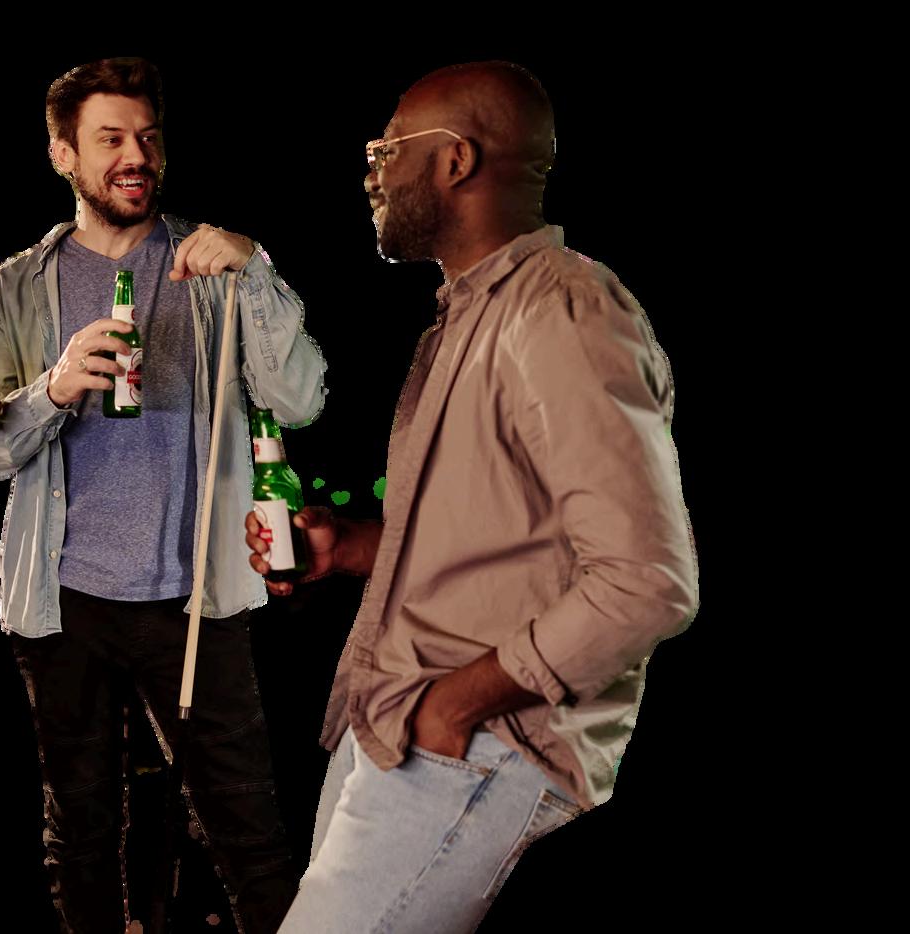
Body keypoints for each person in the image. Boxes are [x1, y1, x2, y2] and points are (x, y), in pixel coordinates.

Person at [245, 61, 699, 933]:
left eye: (387, 149)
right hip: (394, 721)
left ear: (456, 160)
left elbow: (648, 582)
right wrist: (355, 546)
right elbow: (508, 541)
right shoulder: (470, 314)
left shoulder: (562, 312)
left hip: (478, 741)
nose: (373, 172)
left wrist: (454, 708)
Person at [0, 58, 327, 934]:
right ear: (64, 154)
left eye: (148, 137)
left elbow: (300, 400)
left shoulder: (217, 262)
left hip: (196, 593)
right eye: (111, 139)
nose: (136, 156)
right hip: (64, 601)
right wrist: (52, 389)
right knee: (81, 833)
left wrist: (257, 268)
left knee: (248, 832)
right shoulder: (16, 286)